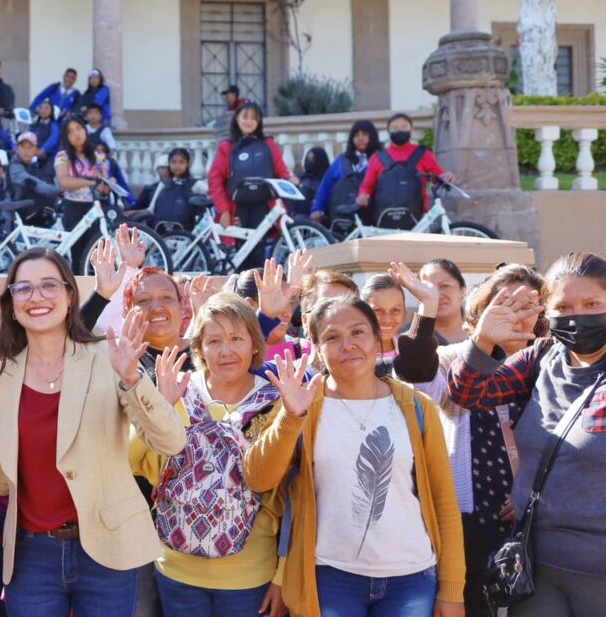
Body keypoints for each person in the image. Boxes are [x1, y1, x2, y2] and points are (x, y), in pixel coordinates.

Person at [0, 248, 187, 616]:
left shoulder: (110, 357)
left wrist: (132, 380)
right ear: (10, 301)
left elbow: (171, 441)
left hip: (107, 549)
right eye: (23, 288)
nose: (37, 297)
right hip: (30, 557)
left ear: (70, 295)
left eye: (48, 286)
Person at [244, 295, 465, 617]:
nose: (347, 345)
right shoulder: (302, 404)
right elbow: (259, 478)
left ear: (379, 340)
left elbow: (445, 501)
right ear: (317, 348)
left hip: (412, 579)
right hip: (331, 578)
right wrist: (291, 418)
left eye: (358, 332)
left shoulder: (415, 407)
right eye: (332, 337)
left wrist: (452, 588)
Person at [447, 252, 606, 616]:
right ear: (547, 314)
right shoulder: (542, 358)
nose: (577, 315)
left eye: (592, 303)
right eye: (563, 306)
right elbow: (468, 393)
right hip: (535, 569)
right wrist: (484, 341)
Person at [131, 294, 287, 617]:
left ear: (255, 345)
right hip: (177, 571)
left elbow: (289, 494)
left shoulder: (278, 402)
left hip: (250, 575)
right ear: (199, 348)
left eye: (236, 339)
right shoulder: (177, 390)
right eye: (214, 340)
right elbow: (138, 461)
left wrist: (283, 574)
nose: (226, 351)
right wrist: (159, 407)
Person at [436, 264, 546, 617]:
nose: (518, 316)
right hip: (474, 515)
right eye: (507, 305)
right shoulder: (456, 359)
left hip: (537, 519)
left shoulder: (552, 360)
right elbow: (438, 381)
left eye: (529, 307)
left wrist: (528, 492)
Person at [206, 102, 294, 270]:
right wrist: (223, 211)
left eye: (254, 118)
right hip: (236, 209)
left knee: (258, 254)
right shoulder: (227, 147)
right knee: (240, 254)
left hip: (263, 207)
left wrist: (290, 181)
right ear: (237, 119)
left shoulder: (268, 145)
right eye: (245, 116)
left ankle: (257, 291)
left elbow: (281, 172)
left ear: (259, 121)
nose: (249, 121)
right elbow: (215, 179)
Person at [356, 113, 454, 230]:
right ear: (388, 131)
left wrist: (447, 177)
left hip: (419, 219)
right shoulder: (377, 157)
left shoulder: (423, 154)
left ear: (411, 129)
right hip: (384, 219)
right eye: (395, 128)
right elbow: (367, 185)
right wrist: (362, 195)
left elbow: (437, 177)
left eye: (404, 127)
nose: (399, 130)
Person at [311, 120, 382, 235]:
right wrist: (317, 209)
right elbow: (325, 186)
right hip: (340, 219)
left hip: (370, 222)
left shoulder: (380, 159)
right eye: (356, 135)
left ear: (372, 137)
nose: (360, 138)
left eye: (364, 134)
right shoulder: (341, 161)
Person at [53, 115, 110, 233]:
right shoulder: (62, 156)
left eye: (79, 128)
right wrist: (91, 182)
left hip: (96, 209)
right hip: (73, 208)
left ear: (85, 129)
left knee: (96, 248)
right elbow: (64, 181)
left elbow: (103, 187)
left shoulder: (98, 157)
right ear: (66, 137)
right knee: (79, 250)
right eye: (70, 132)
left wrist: (109, 184)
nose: (76, 134)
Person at [128, 147, 196, 234]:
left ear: (187, 164)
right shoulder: (163, 185)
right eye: (173, 162)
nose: (177, 166)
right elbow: (151, 209)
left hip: (186, 235)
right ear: (169, 164)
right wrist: (134, 212)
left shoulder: (195, 185)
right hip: (161, 234)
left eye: (181, 162)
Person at [6, 131, 61, 228]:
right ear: (17, 149)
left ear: (36, 150)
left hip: (31, 208)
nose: (26, 151)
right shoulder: (15, 167)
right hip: (18, 211)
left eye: (30, 147)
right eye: (23, 147)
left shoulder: (36, 166)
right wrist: (58, 191)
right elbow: (35, 184)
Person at [420, 258, 469, 344]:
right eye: (428, 288)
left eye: (445, 286)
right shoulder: (408, 338)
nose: (437, 295)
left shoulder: (482, 333)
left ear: (462, 291)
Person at [295, 147, 330, 217]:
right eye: (308, 159)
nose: (309, 161)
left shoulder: (328, 180)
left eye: (313, 159)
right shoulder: (300, 179)